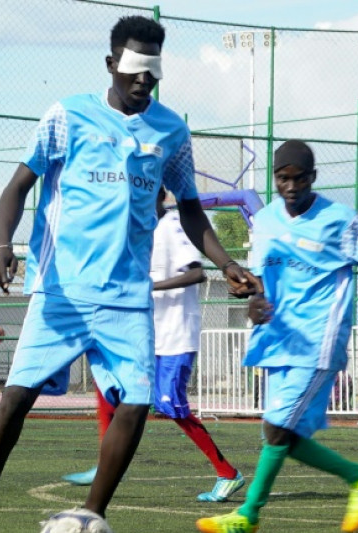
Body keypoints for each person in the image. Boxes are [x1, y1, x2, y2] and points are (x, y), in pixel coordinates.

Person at [0, 15, 259, 533]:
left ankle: (90, 516)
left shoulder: (172, 132)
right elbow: (16, 188)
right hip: (60, 292)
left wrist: (227, 265)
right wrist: (3, 246)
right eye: (134, 69)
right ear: (111, 64)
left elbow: (191, 209)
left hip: (126, 297)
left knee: (137, 403)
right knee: (13, 404)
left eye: (152, 73)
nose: (143, 81)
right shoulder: (67, 117)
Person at [196, 140, 358, 533]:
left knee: (277, 428)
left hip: (319, 338)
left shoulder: (339, 220)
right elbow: (259, 283)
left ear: (313, 177)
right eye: (282, 178)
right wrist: (252, 302)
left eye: (299, 178)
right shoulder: (267, 221)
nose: (290, 186)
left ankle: (247, 516)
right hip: (277, 338)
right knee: (280, 434)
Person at [62, 187, 245, 503]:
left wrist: (150, 286)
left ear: (157, 193)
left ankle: (228, 474)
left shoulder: (174, 225)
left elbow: (198, 274)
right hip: (148, 334)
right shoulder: (136, 229)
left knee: (169, 404)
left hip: (177, 334)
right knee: (106, 379)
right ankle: (106, 459)